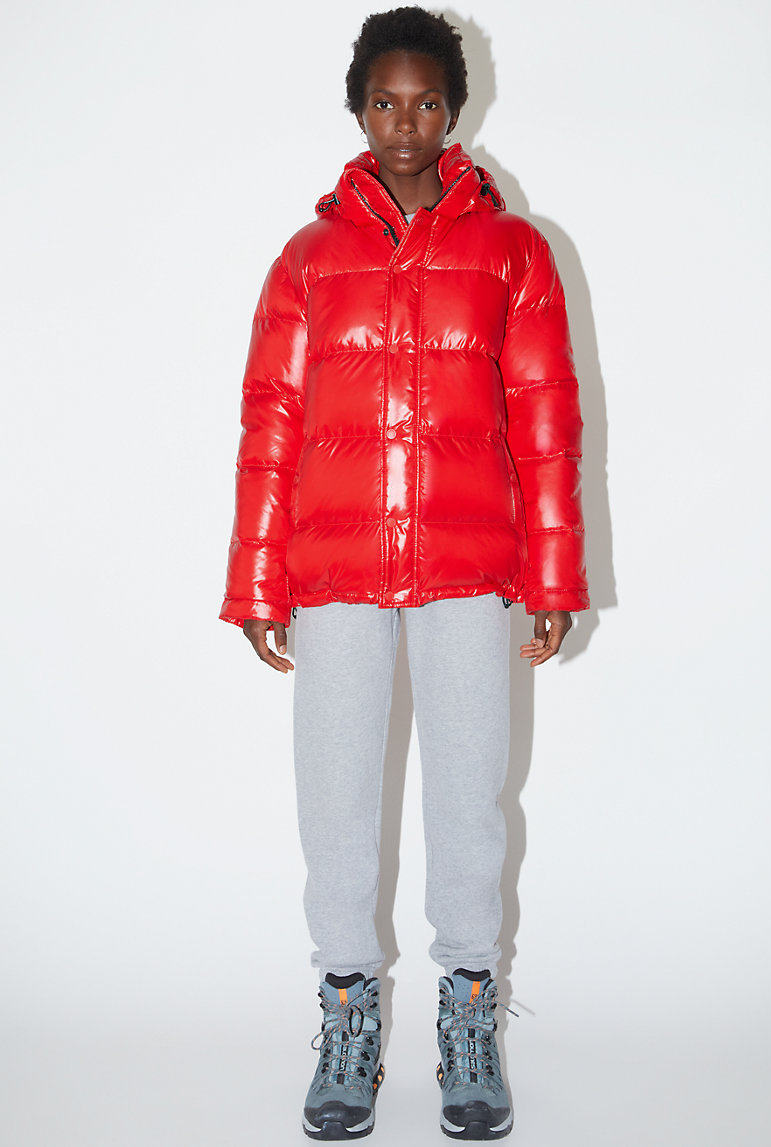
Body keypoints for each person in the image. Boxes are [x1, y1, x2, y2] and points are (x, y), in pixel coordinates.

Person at [219, 6, 589, 1140]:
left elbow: (546, 422)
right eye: (385, 102)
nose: (406, 124)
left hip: (470, 569)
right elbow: (271, 423)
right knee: (336, 802)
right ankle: (348, 1019)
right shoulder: (308, 259)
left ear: (456, 109)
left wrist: (554, 574)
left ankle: (469, 1020)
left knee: (470, 798)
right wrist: (256, 582)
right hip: (334, 571)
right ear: (358, 109)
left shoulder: (515, 252)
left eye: (427, 102)